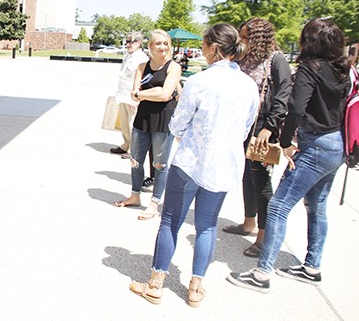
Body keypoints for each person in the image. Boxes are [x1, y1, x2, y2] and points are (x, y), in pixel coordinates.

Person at [129, 24, 258, 307]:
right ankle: (196, 287)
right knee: (207, 227)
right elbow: (247, 126)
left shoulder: (199, 82)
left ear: (213, 47)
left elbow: (177, 124)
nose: (201, 48)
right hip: (223, 165)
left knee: (171, 222)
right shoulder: (249, 85)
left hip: (190, 162)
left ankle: (155, 283)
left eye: (203, 44)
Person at [228, 17, 350, 293]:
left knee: (278, 206)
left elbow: (295, 108)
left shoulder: (309, 69)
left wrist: (284, 142)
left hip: (315, 145)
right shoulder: (343, 69)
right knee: (317, 208)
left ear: (311, 41)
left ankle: (262, 273)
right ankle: (312, 267)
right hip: (336, 145)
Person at [222, 18, 292, 258]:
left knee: (260, 180)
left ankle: (264, 236)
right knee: (246, 176)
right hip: (244, 126)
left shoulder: (276, 60)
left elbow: (283, 96)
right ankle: (248, 222)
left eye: (246, 36)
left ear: (260, 37)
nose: (242, 40)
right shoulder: (243, 59)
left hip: (263, 129)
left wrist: (269, 127)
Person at [113, 30, 181, 221]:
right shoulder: (142, 66)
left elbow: (165, 95)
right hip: (142, 118)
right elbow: (133, 93)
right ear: (150, 47)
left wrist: (144, 94)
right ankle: (135, 195)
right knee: (135, 160)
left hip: (162, 121)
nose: (162, 47)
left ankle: (154, 202)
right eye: (158, 43)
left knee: (159, 164)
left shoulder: (173, 67)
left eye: (165, 43)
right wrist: (153, 92)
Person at [109, 32, 149, 159]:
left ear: (138, 43)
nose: (127, 45)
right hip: (123, 94)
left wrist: (138, 99)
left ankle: (134, 150)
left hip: (132, 97)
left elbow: (143, 80)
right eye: (126, 42)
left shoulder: (142, 58)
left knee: (133, 125)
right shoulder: (128, 55)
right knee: (124, 124)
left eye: (130, 42)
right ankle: (126, 145)